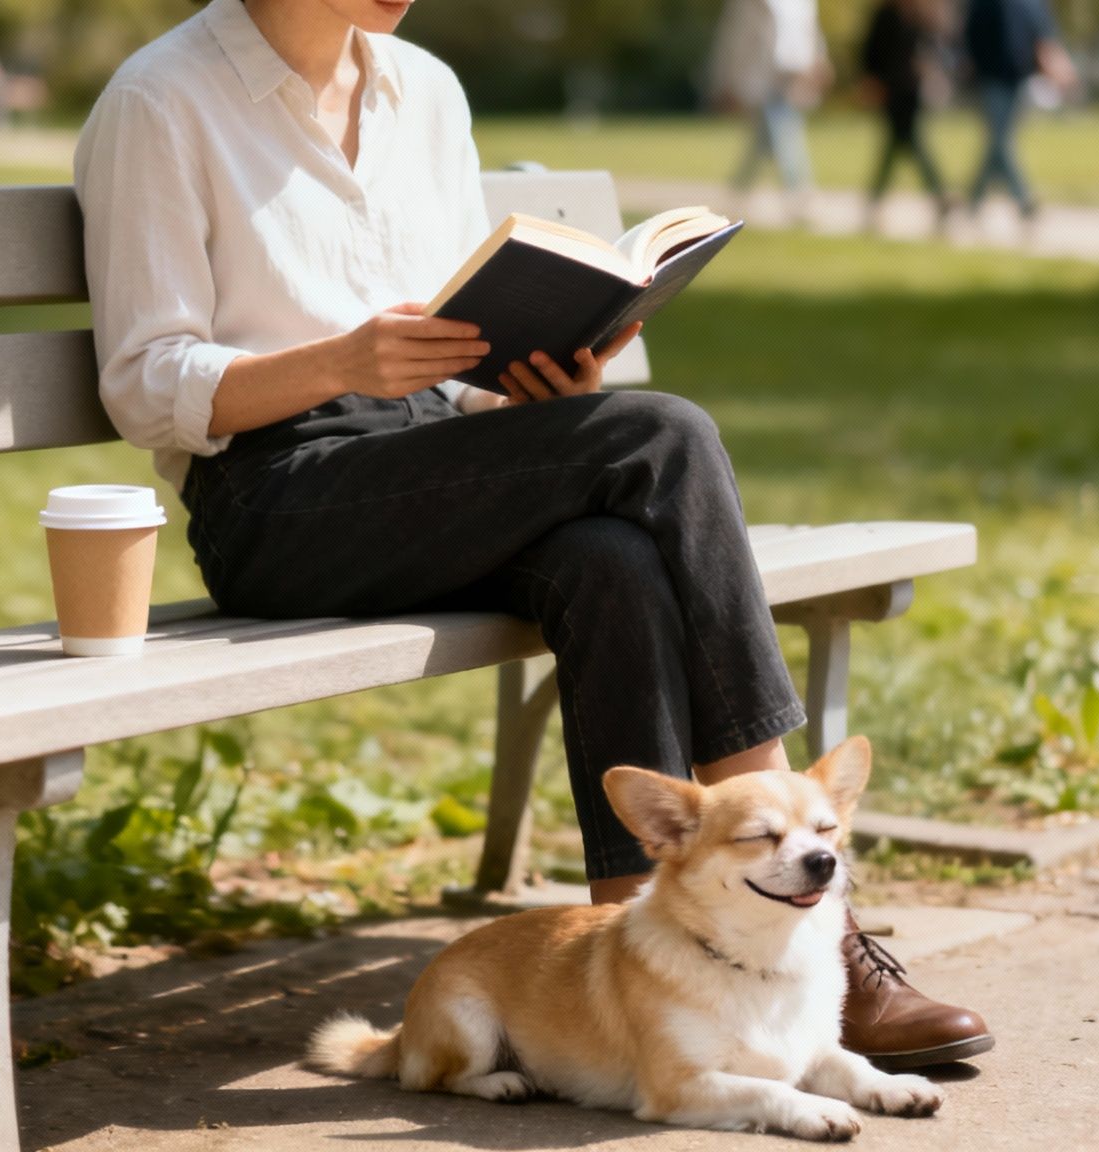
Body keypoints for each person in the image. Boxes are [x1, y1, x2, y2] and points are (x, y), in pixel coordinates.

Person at [74, 0, 992, 1071]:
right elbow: (142, 385)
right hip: (275, 496)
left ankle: (649, 981)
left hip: (429, 458)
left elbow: (454, 347)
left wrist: (535, 389)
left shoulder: (425, 90)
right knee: (665, 434)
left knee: (611, 562)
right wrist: (337, 364)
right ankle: (807, 900)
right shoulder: (159, 99)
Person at [712, 0, 832, 222]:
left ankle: (737, 194)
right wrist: (726, 81)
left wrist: (820, 60)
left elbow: (811, 31)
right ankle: (800, 197)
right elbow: (735, 39)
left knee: (766, 140)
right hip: (763, 76)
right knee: (784, 131)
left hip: (794, 75)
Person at [962, 0, 1072, 223]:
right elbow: (971, 36)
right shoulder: (983, 5)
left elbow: (1044, 37)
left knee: (999, 141)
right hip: (992, 79)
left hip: (1019, 78)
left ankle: (974, 200)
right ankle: (1023, 200)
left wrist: (1056, 66)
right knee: (1001, 141)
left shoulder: (1030, 4)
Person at [860, 0, 951, 231]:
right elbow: (871, 50)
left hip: (913, 89)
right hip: (891, 89)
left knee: (901, 143)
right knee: (907, 142)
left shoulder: (922, 17)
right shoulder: (886, 15)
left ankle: (875, 199)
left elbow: (934, 49)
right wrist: (872, 81)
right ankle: (938, 195)